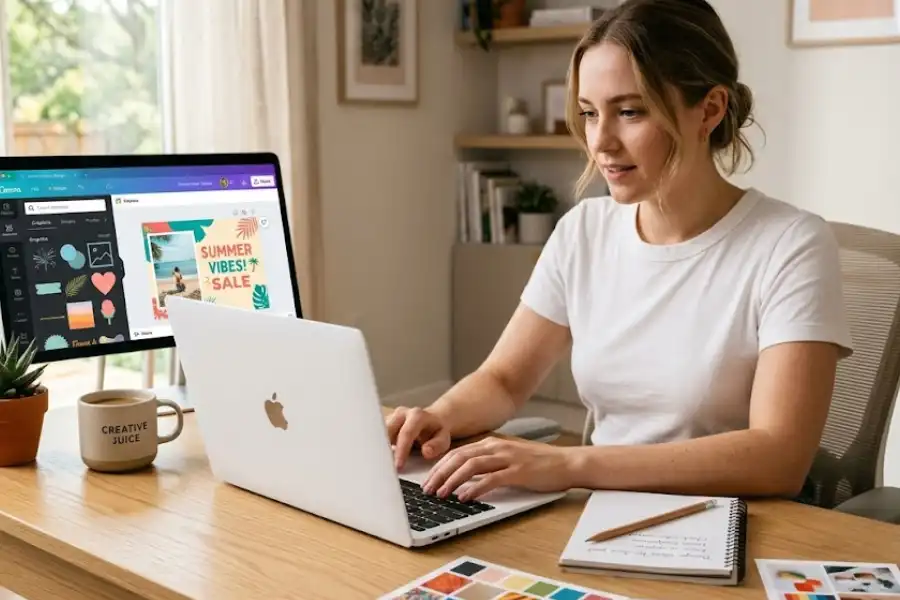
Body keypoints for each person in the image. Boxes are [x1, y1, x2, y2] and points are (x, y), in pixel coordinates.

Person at [386, 0, 852, 503]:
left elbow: (777, 458)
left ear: (710, 110)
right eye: (589, 114)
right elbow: (503, 379)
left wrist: (571, 464)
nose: (600, 142)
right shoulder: (583, 231)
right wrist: (440, 415)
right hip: (597, 512)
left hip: (733, 526)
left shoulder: (791, 245)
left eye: (629, 112)